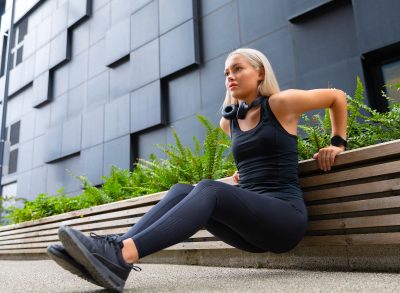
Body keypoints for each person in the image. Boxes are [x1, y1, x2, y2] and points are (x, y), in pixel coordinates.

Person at [47, 48, 348, 292]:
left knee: (208, 187)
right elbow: (255, 160)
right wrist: (241, 178)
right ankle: (111, 253)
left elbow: (336, 97)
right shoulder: (228, 122)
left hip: (284, 220)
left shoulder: (281, 104)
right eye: (227, 73)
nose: (230, 76)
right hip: (254, 227)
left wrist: (337, 142)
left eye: (238, 69)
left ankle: (122, 255)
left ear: (260, 73)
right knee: (181, 190)